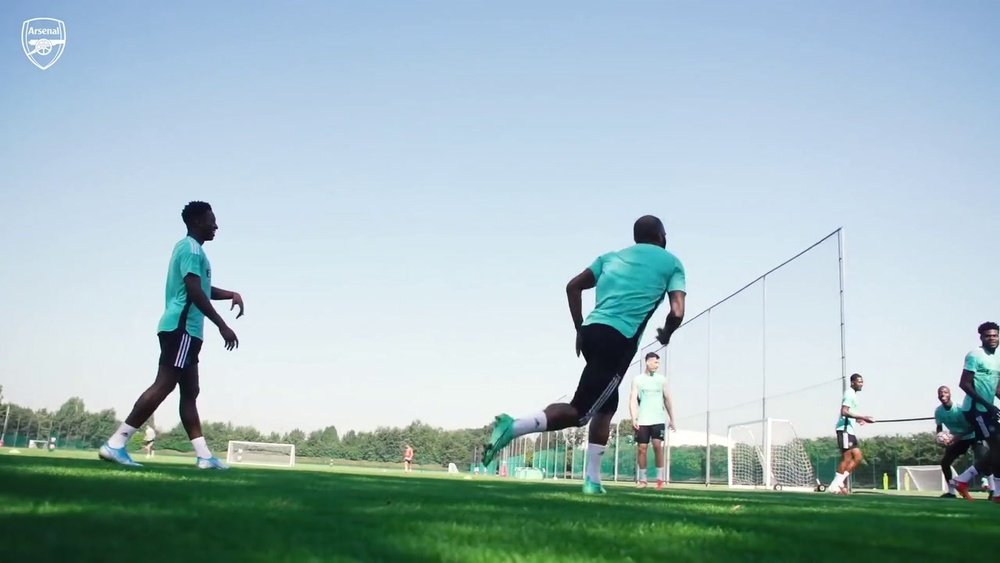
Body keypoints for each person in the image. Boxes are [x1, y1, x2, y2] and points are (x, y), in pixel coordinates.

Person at [480, 215, 686, 495]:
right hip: (619, 340)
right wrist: (667, 334)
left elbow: (572, 286)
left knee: (606, 406)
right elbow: (677, 310)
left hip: (591, 332)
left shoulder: (610, 257)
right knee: (580, 412)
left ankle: (593, 480)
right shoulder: (672, 262)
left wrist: (579, 328)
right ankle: (512, 427)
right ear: (663, 237)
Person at [99, 201, 243, 469]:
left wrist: (231, 294)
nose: (216, 225)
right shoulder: (190, 249)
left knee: (190, 391)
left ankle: (204, 456)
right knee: (164, 384)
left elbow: (204, 287)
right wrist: (222, 325)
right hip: (182, 328)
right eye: (211, 220)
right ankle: (116, 443)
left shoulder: (193, 251)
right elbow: (194, 291)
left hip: (187, 331)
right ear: (197, 221)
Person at [950, 322, 1000, 501]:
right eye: (988, 336)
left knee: (997, 448)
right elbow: (964, 384)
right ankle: (998, 493)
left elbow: (996, 387)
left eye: (995, 335)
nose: (992, 339)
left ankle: (962, 480)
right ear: (981, 337)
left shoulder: (998, 358)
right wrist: (987, 405)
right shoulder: (975, 355)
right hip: (975, 410)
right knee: (997, 446)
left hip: (988, 410)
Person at [934, 385, 990, 498]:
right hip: (959, 439)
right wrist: (940, 436)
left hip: (973, 436)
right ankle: (951, 492)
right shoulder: (938, 411)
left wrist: (956, 437)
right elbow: (939, 427)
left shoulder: (960, 409)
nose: (942, 394)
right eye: (940, 393)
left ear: (950, 394)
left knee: (984, 459)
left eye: (945, 392)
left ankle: (992, 489)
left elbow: (973, 427)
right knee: (945, 463)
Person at [629, 351, 674, 489]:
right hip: (643, 420)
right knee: (642, 449)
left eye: (658, 363)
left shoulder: (662, 380)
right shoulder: (638, 380)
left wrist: (672, 418)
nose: (657, 365)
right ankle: (643, 480)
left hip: (658, 419)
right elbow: (632, 400)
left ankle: (660, 480)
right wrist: (633, 418)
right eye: (655, 362)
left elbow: (667, 399)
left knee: (656, 445)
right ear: (647, 362)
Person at [827, 373, 874, 494]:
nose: (861, 384)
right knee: (847, 458)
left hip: (850, 430)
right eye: (859, 381)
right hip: (844, 429)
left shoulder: (853, 395)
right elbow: (844, 411)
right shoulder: (849, 394)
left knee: (857, 457)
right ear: (852, 382)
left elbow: (850, 413)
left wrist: (860, 419)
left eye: (862, 381)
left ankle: (838, 482)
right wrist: (863, 416)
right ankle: (835, 485)